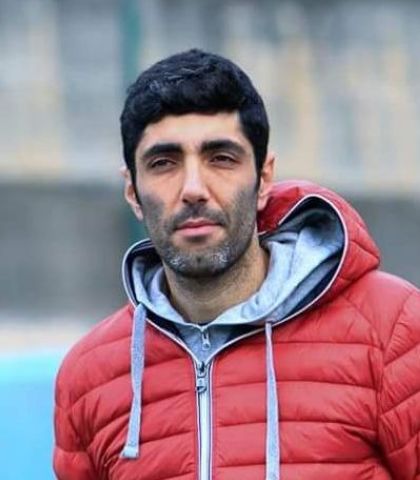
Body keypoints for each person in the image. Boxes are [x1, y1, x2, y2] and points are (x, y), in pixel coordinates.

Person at [53, 49, 420, 480]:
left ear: (263, 179)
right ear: (132, 191)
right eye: (164, 163)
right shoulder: (88, 378)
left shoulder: (394, 332)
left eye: (221, 158)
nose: (193, 189)